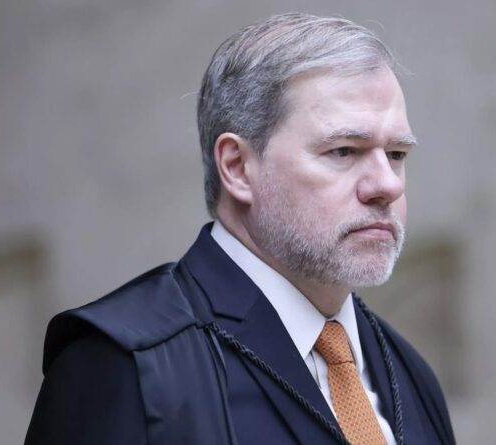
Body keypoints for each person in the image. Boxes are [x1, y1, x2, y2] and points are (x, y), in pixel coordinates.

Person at [25, 12, 455, 445]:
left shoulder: (408, 373)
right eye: (343, 151)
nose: (387, 185)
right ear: (236, 167)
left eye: (396, 154)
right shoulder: (124, 364)